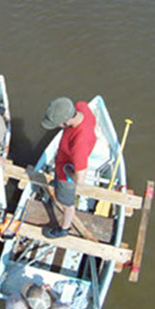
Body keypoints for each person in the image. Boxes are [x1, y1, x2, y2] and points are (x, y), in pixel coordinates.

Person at [40, 97, 96, 239]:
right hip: (62, 160)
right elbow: (85, 107)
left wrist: (66, 170)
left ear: (67, 121)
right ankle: (58, 183)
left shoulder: (79, 144)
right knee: (58, 184)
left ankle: (64, 228)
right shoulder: (81, 107)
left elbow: (80, 180)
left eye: (58, 124)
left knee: (67, 204)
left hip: (66, 176)